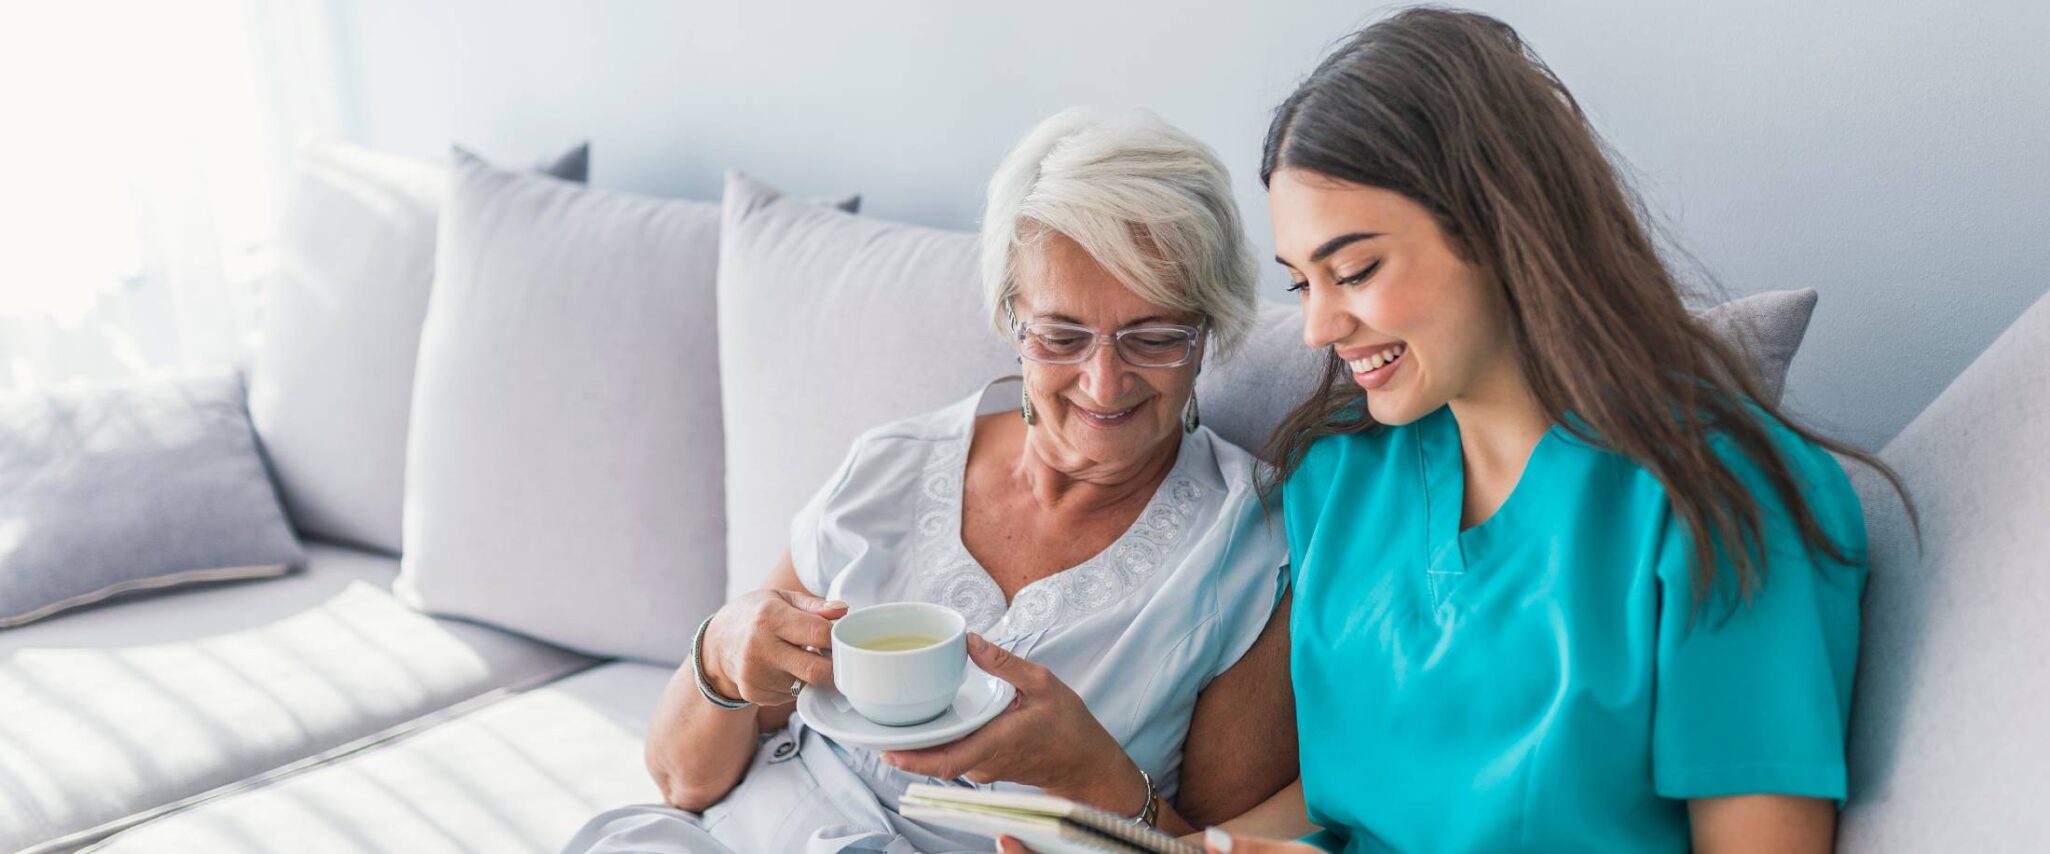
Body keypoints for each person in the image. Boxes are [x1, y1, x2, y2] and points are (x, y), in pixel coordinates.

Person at [1203, 8, 1910, 853]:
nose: (1319, 328)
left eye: (1353, 272)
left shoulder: (1721, 498)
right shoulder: (1339, 479)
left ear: (1501, 228)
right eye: (1300, 284)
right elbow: (1338, 801)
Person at [564, 108, 1297, 854]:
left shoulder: (1251, 547)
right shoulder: (893, 465)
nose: (1103, 384)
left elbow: (1220, 847)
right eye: (1060, 336)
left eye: (1155, 337)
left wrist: (1095, 776)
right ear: (1011, 319)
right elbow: (681, 784)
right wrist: (721, 652)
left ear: (1209, 330)